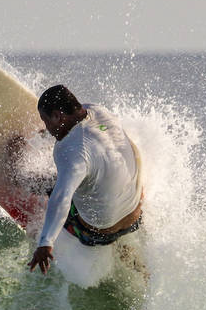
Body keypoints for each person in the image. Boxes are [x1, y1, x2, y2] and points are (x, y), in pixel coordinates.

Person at [27, 85, 143, 275]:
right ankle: (132, 259)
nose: (46, 128)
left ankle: (114, 244)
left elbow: (62, 198)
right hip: (135, 214)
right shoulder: (99, 111)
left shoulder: (73, 154)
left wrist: (45, 243)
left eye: (45, 121)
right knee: (99, 174)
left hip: (97, 233)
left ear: (58, 116)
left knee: (46, 184)